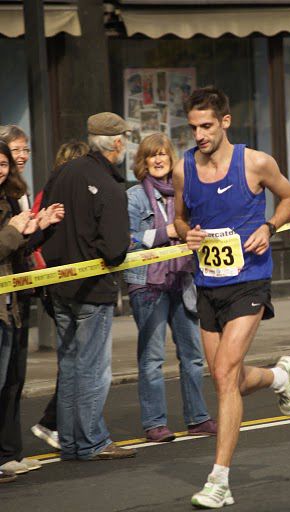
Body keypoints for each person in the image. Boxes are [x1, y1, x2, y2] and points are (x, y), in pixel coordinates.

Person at [172, 86, 290, 509]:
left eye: (206, 126)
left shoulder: (255, 162)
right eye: (193, 127)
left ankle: (219, 480)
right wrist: (182, 233)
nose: (199, 135)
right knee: (227, 378)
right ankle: (279, 377)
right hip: (208, 284)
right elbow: (178, 218)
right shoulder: (183, 167)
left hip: (249, 281)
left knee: (226, 372)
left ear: (225, 122)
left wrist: (269, 226)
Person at [42, 112, 137, 461]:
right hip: (92, 290)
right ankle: (92, 440)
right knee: (94, 367)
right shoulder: (111, 187)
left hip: (58, 286)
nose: (125, 144)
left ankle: (71, 442)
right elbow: (114, 251)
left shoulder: (63, 173)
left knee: (69, 365)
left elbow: (44, 224)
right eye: (124, 139)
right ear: (115, 143)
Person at [124, 132, 216, 442]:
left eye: (164, 154)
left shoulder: (183, 194)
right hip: (147, 283)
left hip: (184, 279)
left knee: (192, 354)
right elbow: (129, 239)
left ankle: (198, 418)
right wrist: (167, 231)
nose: (159, 159)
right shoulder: (134, 196)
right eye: (152, 155)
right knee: (152, 358)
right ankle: (154, 424)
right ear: (144, 162)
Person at [0, 141, 64, 477]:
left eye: (5, 162)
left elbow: (18, 251)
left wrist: (40, 226)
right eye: (12, 154)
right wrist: (14, 230)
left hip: (14, 302)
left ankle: (9, 454)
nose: (5, 167)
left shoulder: (12, 198)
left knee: (12, 382)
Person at [31, 140, 89, 451]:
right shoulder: (58, 195)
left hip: (59, 283)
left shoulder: (50, 191)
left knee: (73, 356)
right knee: (76, 358)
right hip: (62, 284)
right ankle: (55, 422)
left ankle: (60, 424)